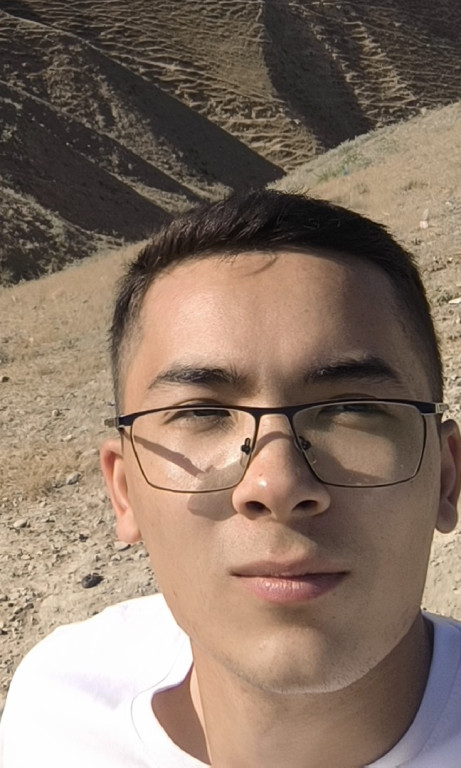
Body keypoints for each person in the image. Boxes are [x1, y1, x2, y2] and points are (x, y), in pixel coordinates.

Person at [1, 189, 460, 768]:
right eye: (202, 413)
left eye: (350, 409)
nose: (277, 484)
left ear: (445, 477)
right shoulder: (57, 710)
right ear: (124, 491)